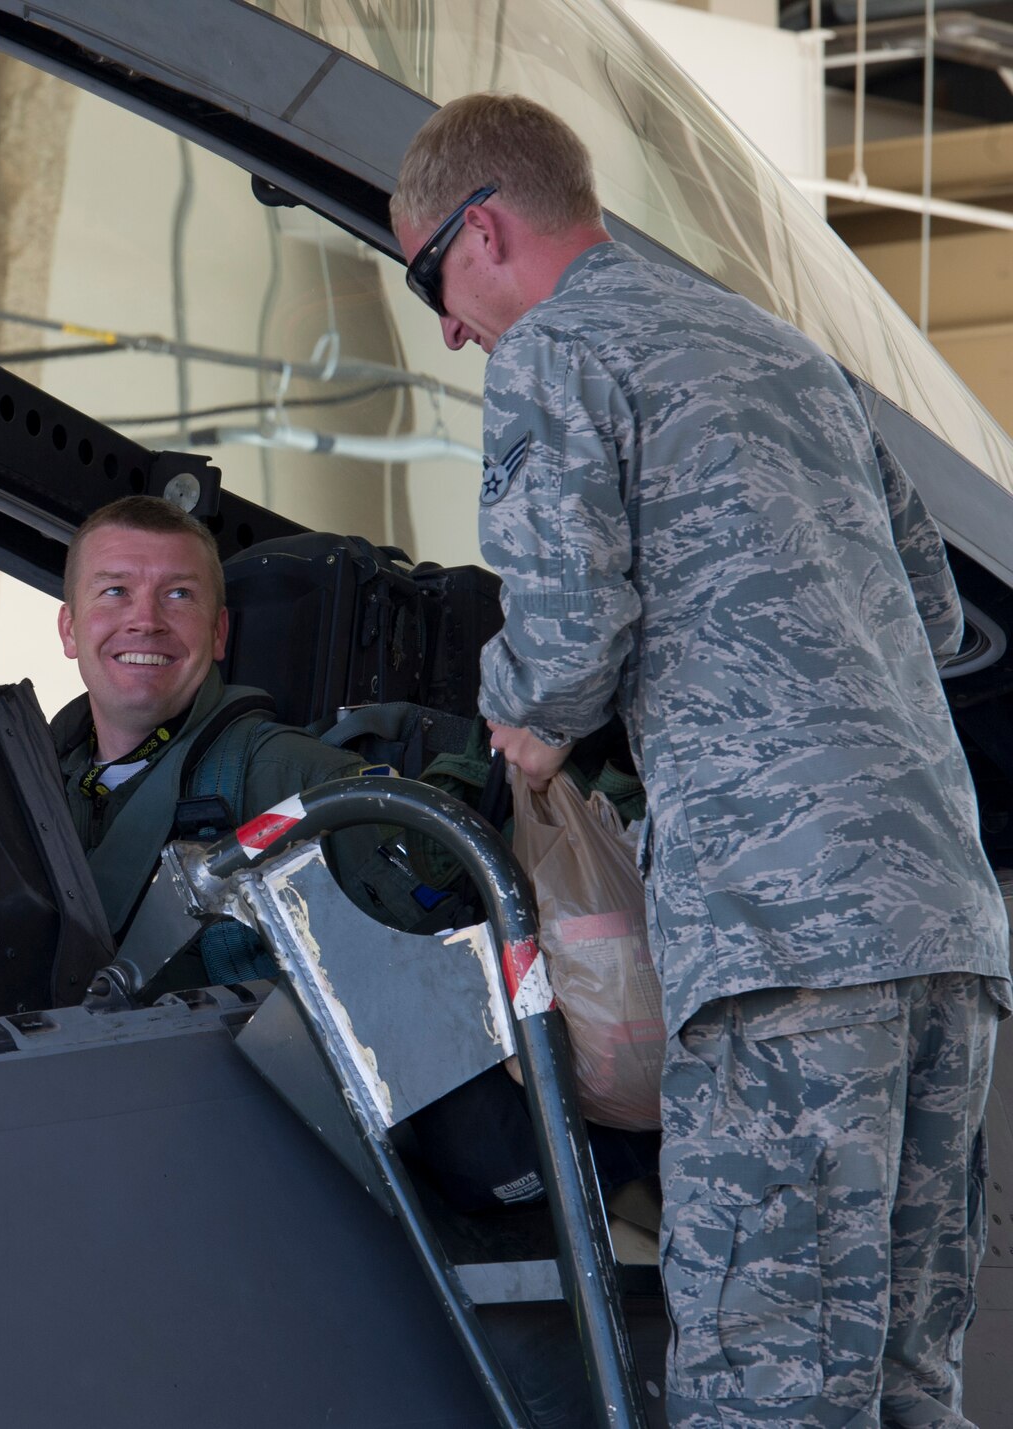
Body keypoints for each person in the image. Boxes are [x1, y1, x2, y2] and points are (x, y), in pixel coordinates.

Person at [391, 92, 1010, 1427]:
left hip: (781, 943)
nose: (444, 324)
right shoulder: (783, 352)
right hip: (945, 929)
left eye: (426, 278)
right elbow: (936, 617)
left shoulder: (555, 352)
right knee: (909, 1387)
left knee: (770, 1389)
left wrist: (521, 721)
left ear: (482, 230)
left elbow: (564, 637)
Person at [50, 495, 441, 982]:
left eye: (179, 594)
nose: (146, 620)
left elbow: (432, 984)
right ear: (69, 629)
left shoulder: (309, 789)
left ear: (219, 632)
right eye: (115, 591)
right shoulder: (20, 792)